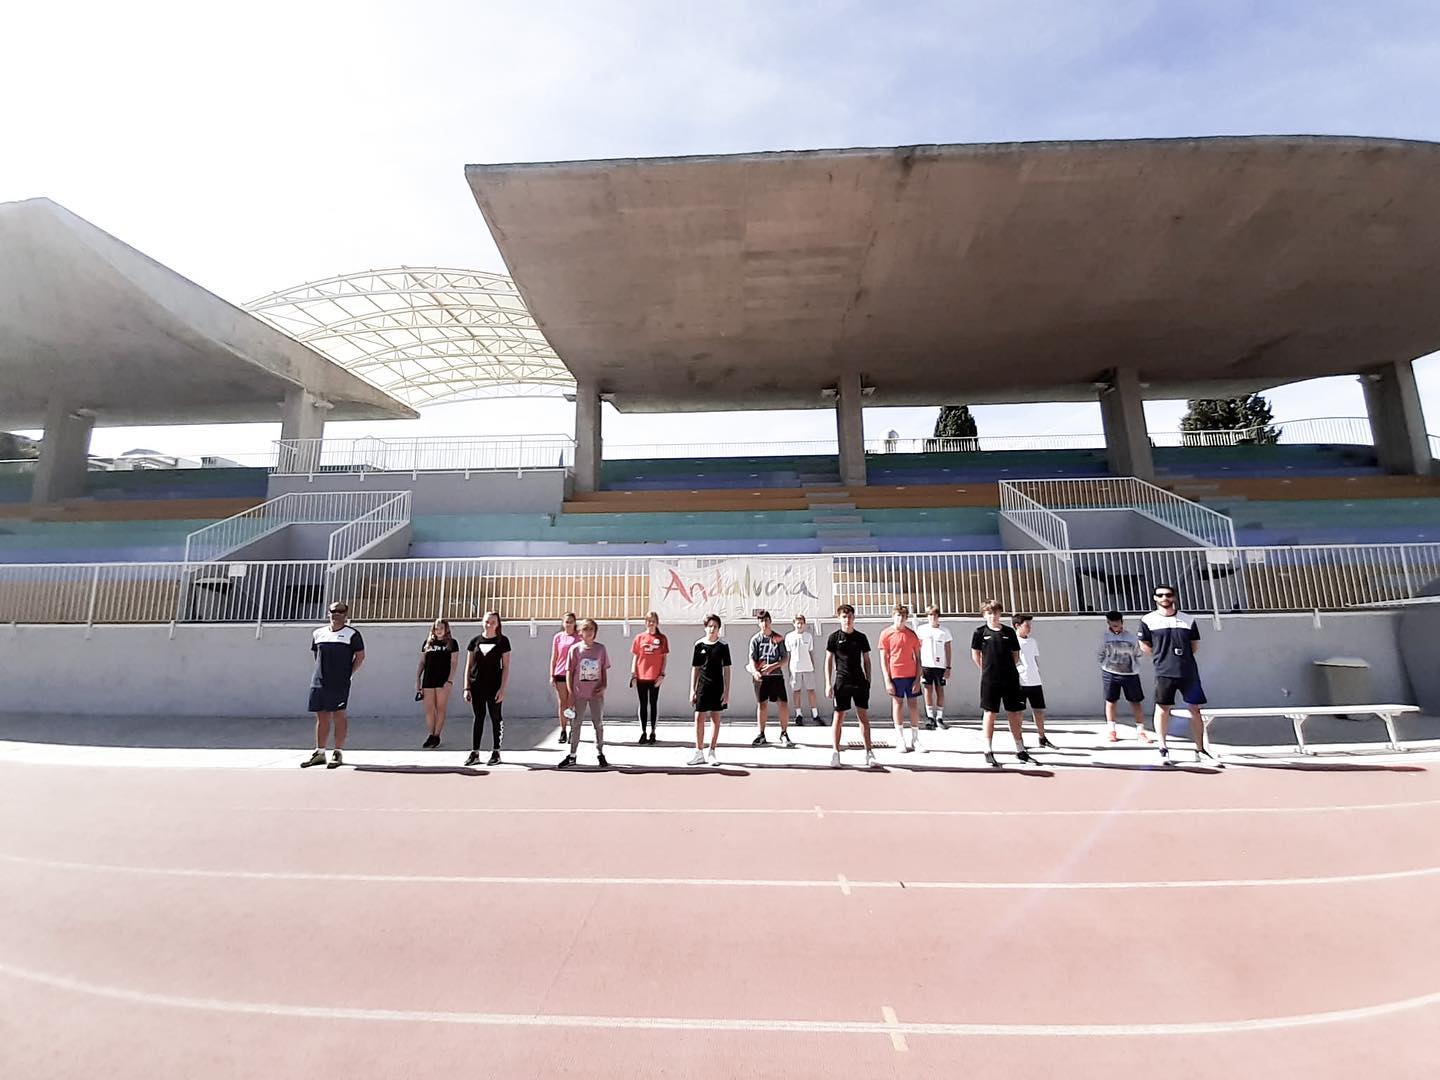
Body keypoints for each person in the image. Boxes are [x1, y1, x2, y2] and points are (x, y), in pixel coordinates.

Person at [1138, 585, 1216, 765]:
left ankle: (1200, 749)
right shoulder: (1148, 620)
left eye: (1168, 595)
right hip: (1164, 672)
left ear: (1174, 597)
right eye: (1160, 595)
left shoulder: (1188, 619)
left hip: (1188, 671)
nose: (1164, 598)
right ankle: (1163, 748)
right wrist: (1162, 659)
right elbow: (1144, 645)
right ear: (1155, 598)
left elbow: (1194, 645)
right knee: (1163, 708)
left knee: (1195, 709)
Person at [301, 601, 365, 769]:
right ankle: (320, 752)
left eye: (341, 611)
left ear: (346, 614)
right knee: (321, 717)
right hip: (319, 682)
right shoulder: (318, 633)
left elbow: (360, 656)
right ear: (328, 613)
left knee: (339, 715)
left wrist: (347, 674)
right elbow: (317, 655)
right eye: (333, 611)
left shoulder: (352, 634)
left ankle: (337, 752)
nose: (337, 614)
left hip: (339, 683)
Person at [970, 600, 1030, 767]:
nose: (993, 616)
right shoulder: (979, 632)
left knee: (1014, 713)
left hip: (1010, 678)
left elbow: (1015, 655)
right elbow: (975, 654)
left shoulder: (1009, 632)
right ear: (984, 615)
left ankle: (1020, 748)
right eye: (990, 613)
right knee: (990, 713)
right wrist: (987, 669)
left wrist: (1007, 669)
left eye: (996, 613)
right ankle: (988, 749)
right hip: (990, 679)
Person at [826, 603, 876, 768]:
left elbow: (867, 660)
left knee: (863, 717)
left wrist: (868, 679)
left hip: (859, 681)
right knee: (838, 717)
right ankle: (835, 753)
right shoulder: (833, 638)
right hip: (842, 682)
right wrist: (828, 683)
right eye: (844, 617)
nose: (847, 620)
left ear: (854, 618)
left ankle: (869, 753)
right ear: (839, 618)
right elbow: (828, 661)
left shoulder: (861, 637)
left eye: (850, 617)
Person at [463, 611, 510, 766]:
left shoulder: (502, 641)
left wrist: (502, 689)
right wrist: (466, 688)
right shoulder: (474, 641)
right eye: (487, 622)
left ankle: (496, 752)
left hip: (494, 686)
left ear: (497, 624)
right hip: (476, 686)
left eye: (492, 622)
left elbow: (506, 667)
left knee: (496, 717)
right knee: (478, 717)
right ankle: (475, 752)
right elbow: (469, 666)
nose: (489, 625)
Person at [562, 618, 610, 768]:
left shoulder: (601, 649)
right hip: (579, 693)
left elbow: (603, 669)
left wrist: (604, 686)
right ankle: (572, 754)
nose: (589, 632)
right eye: (586, 629)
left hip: (596, 693)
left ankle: (600, 752)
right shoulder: (575, 649)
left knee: (598, 723)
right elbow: (569, 672)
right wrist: (571, 693)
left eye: (591, 629)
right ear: (580, 632)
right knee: (576, 724)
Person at [1098, 610, 1151, 743]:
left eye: (1118, 624)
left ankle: (1140, 731)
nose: (1116, 627)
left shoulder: (1131, 638)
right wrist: (1106, 664)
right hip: (1110, 673)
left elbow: (1138, 654)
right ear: (1108, 623)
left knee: (1135, 701)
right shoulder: (1104, 637)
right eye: (1113, 624)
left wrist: (1134, 666)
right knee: (1111, 701)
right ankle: (1112, 730)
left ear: (1122, 622)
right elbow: (1100, 653)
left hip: (1130, 674)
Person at [878, 604, 924, 752]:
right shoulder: (886, 634)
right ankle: (900, 738)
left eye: (903, 616)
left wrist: (917, 679)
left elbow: (918, 658)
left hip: (911, 674)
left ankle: (915, 739)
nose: (900, 619)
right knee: (897, 704)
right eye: (898, 615)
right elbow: (883, 659)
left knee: (913, 705)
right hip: (895, 674)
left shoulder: (911, 635)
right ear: (893, 616)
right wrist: (887, 680)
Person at [688, 614, 731, 766]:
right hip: (702, 687)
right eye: (710, 626)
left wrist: (726, 692)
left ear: (719, 628)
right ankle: (699, 752)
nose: (712, 629)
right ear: (705, 627)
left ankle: (712, 752)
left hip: (717, 686)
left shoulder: (723, 646)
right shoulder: (699, 645)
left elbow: (727, 669)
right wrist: (692, 690)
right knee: (699, 717)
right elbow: (695, 668)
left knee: (715, 718)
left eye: (715, 626)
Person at [749, 610, 792, 747]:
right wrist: (755, 672)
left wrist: (773, 666)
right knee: (762, 704)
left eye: (766, 620)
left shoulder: (778, 638)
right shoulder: (755, 640)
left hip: (776, 676)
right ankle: (761, 734)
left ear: (770, 621)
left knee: (783, 703)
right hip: (762, 678)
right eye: (761, 621)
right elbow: (752, 658)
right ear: (758, 623)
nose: (764, 623)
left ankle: (784, 733)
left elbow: (785, 658)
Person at [1013, 615, 1056, 750]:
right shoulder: (1013, 641)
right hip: (1020, 681)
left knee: (1038, 710)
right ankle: (1020, 741)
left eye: (1030, 626)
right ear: (1017, 626)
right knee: (1019, 712)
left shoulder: (1032, 641)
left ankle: (1042, 737)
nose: (1030, 628)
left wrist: (1037, 672)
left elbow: (1034, 659)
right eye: (1027, 626)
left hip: (1035, 680)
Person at [416, 618, 458, 748]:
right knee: (429, 709)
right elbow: (422, 662)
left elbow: (454, 663)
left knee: (440, 708)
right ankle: (430, 735)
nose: (438, 631)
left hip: (443, 680)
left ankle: (437, 735)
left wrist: (450, 681)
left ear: (446, 629)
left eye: (441, 628)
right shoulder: (427, 643)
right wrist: (418, 679)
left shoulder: (452, 643)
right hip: (428, 679)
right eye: (436, 628)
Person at [629, 611, 669, 744]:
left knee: (653, 703)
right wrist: (633, 674)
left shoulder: (662, 638)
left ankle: (653, 732)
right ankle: (643, 732)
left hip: (655, 677)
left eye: (653, 621)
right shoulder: (639, 637)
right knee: (643, 704)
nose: (651, 623)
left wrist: (662, 674)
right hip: (641, 676)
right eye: (648, 621)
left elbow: (664, 658)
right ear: (645, 622)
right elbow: (636, 657)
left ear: (657, 623)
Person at [917, 606, 953, 729]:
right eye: (930, 615)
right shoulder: (921, 630)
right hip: (926, 665)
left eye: (935, 615)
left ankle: (939, 717)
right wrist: (918, 665)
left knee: (940, 690)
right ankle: (930, 717)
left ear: (938, 616)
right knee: (928, 689)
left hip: (940, 665)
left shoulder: (944, 631)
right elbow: (917, 648)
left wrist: (948, 667)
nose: (933, 617)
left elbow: (948, 649)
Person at [550, 613, 581, 744]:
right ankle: (563, 730)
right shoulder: (558, 637)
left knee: (572, 703)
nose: (569, 624)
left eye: (571, 622)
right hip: (560, 673)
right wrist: (552, 675)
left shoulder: (579, 637)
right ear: (563, 623)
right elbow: (554, 657)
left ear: (575, 623)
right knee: (562, 703)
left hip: (574, 674)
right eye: (566, 622)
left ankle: (573, 730)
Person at [784, 614, 821, 725]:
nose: (799, 625)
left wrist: (812, 666)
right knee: (796, 691)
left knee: (811, 690)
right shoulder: (789, 637)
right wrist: (789, 669)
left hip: (808, 668)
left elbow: (810, 652)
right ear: (794, 624)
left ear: (804, 624)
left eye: (801, 623)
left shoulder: (808, 636)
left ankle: (815, 714)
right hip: (795, 668)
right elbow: (788, 654)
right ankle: (798, 714)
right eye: (797, 623)